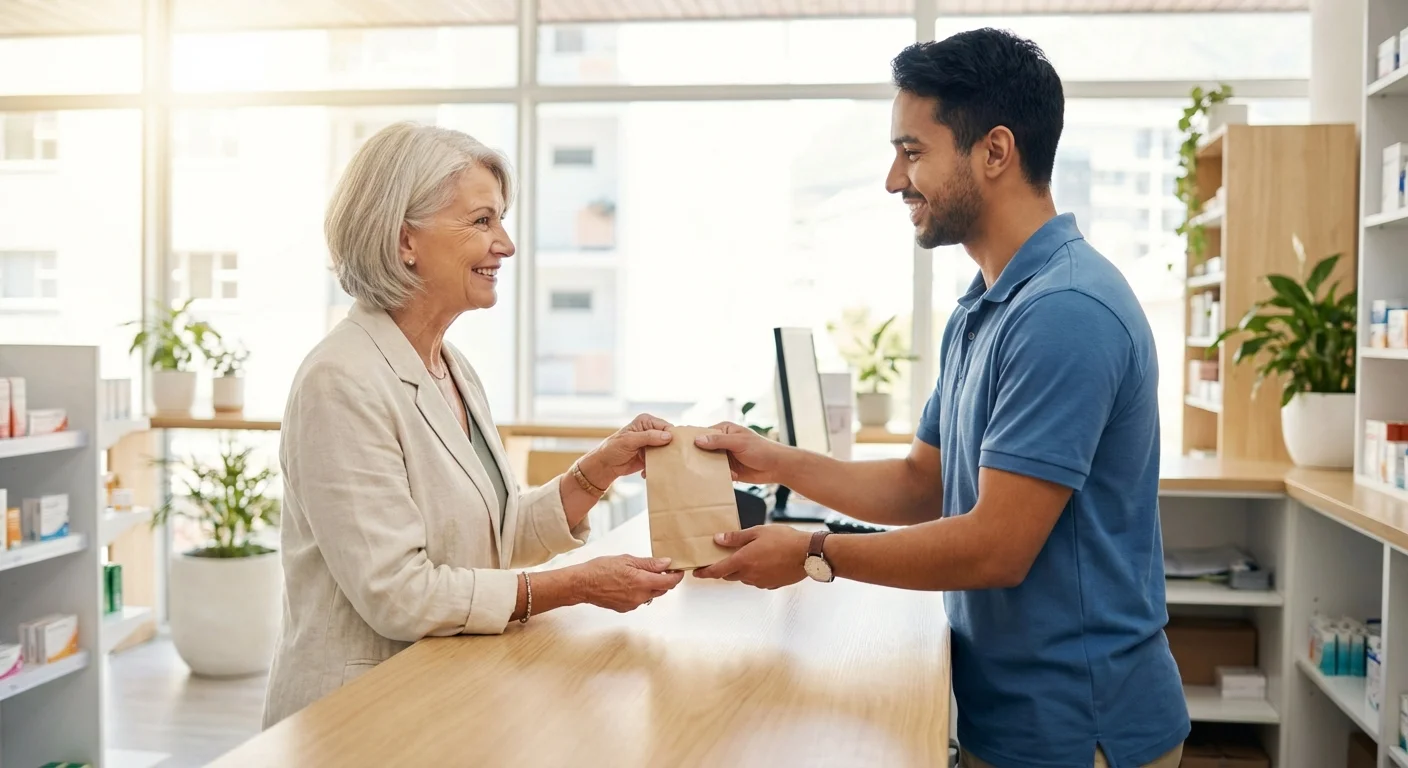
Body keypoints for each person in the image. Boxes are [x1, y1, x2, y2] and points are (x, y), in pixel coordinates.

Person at [690, 29, 1188, 768]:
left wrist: (814, 552)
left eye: (913, 152)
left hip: (1076, 730)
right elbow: (922, 482)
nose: (895, 180)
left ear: (994, 151)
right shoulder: (986, 304)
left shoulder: (1066, 311)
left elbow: (996, 547)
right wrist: (776, 462)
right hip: (1009, 717)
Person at [262, 122, 684, 728]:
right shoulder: (340, 380)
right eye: (482, 221)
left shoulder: (450, 366)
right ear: (405, 239)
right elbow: (398, 594)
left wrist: (597, 471)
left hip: (444, 696)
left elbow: (500, 534)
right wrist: (575, 587)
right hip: (359, 719)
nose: (506, 244)